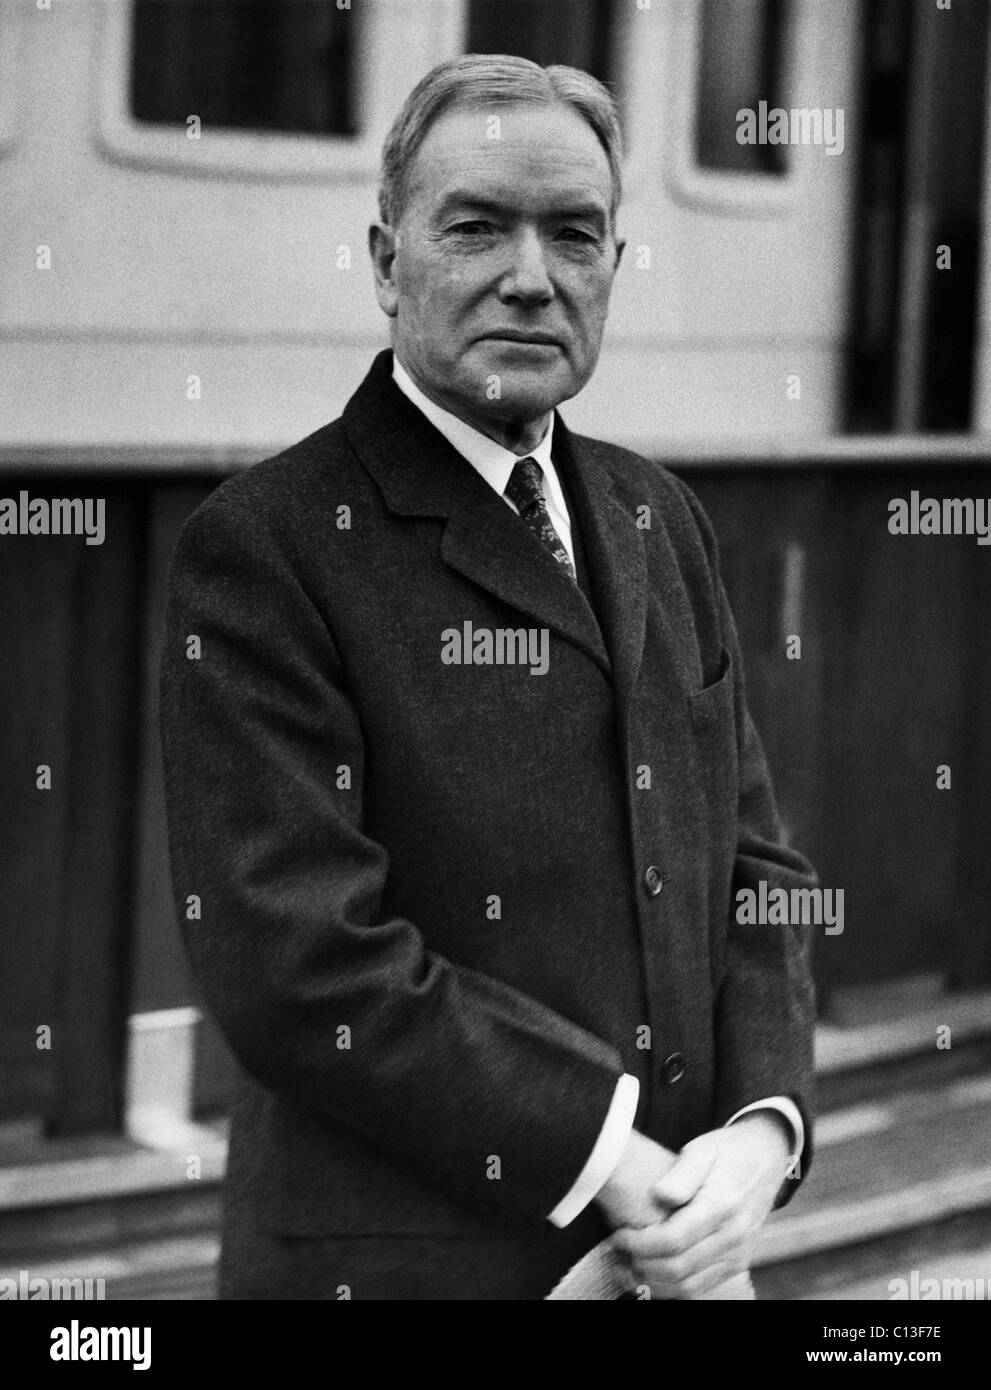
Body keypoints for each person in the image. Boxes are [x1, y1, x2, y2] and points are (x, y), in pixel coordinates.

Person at [159, 54, 817, 1301]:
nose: (531, 273)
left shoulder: (655, 516)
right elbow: (299, 967)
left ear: (613, 270)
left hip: (674, 1254)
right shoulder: (267, 547)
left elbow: (756, 868)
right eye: (475, 227)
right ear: (384, 257)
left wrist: (760, 1130)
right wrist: (615, 1159)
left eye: (574, 233)